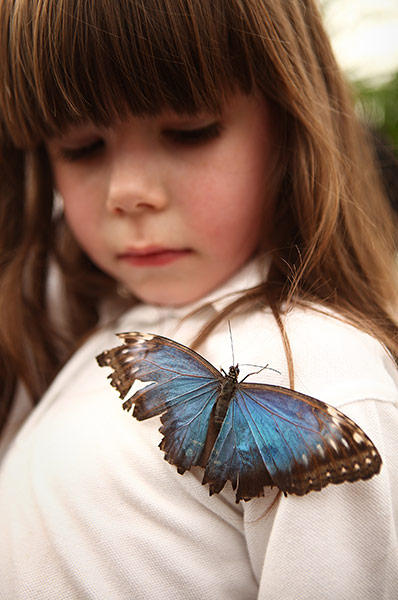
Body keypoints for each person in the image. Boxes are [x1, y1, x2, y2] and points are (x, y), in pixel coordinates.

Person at [0, 0, 397, 598]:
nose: (128, 194)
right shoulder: (104, 316)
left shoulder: (323, 370)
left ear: (291, 125)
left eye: (191, 132)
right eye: (80, 147)